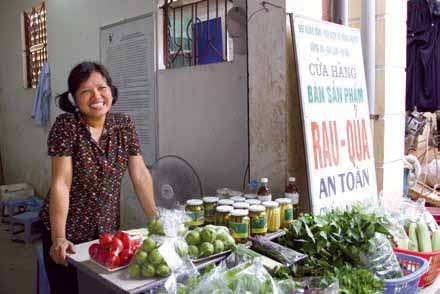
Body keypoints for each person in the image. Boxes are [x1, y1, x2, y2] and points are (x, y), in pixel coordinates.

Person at [38, 61, 157, 294]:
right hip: (67, 231)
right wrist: (59, 238)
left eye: (102, 88)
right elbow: (61, 183)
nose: (96, 96)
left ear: (111, 90)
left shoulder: (124, 124)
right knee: (67, 289)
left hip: (106, 231)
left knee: (102, 288)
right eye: (85, 91)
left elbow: (140, 174)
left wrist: (156, 219)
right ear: (73, 98)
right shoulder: (67, 126)